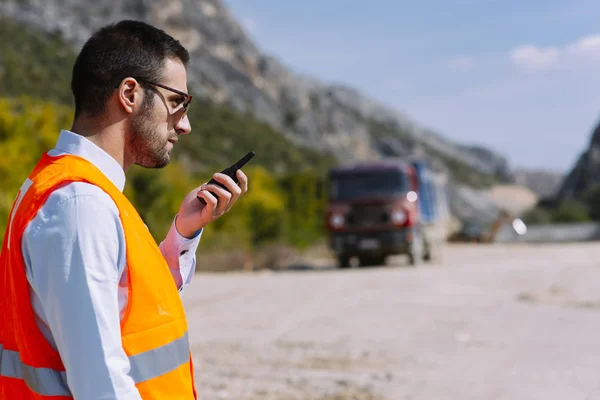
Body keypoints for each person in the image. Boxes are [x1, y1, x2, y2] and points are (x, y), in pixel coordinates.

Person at [0, 20, 248, 399]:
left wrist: (182, 233)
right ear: (130, 93)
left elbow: (131, 316)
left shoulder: (78, 189)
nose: (185, 125)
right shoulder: (81, 204)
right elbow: (100, 383)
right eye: (178, 102)